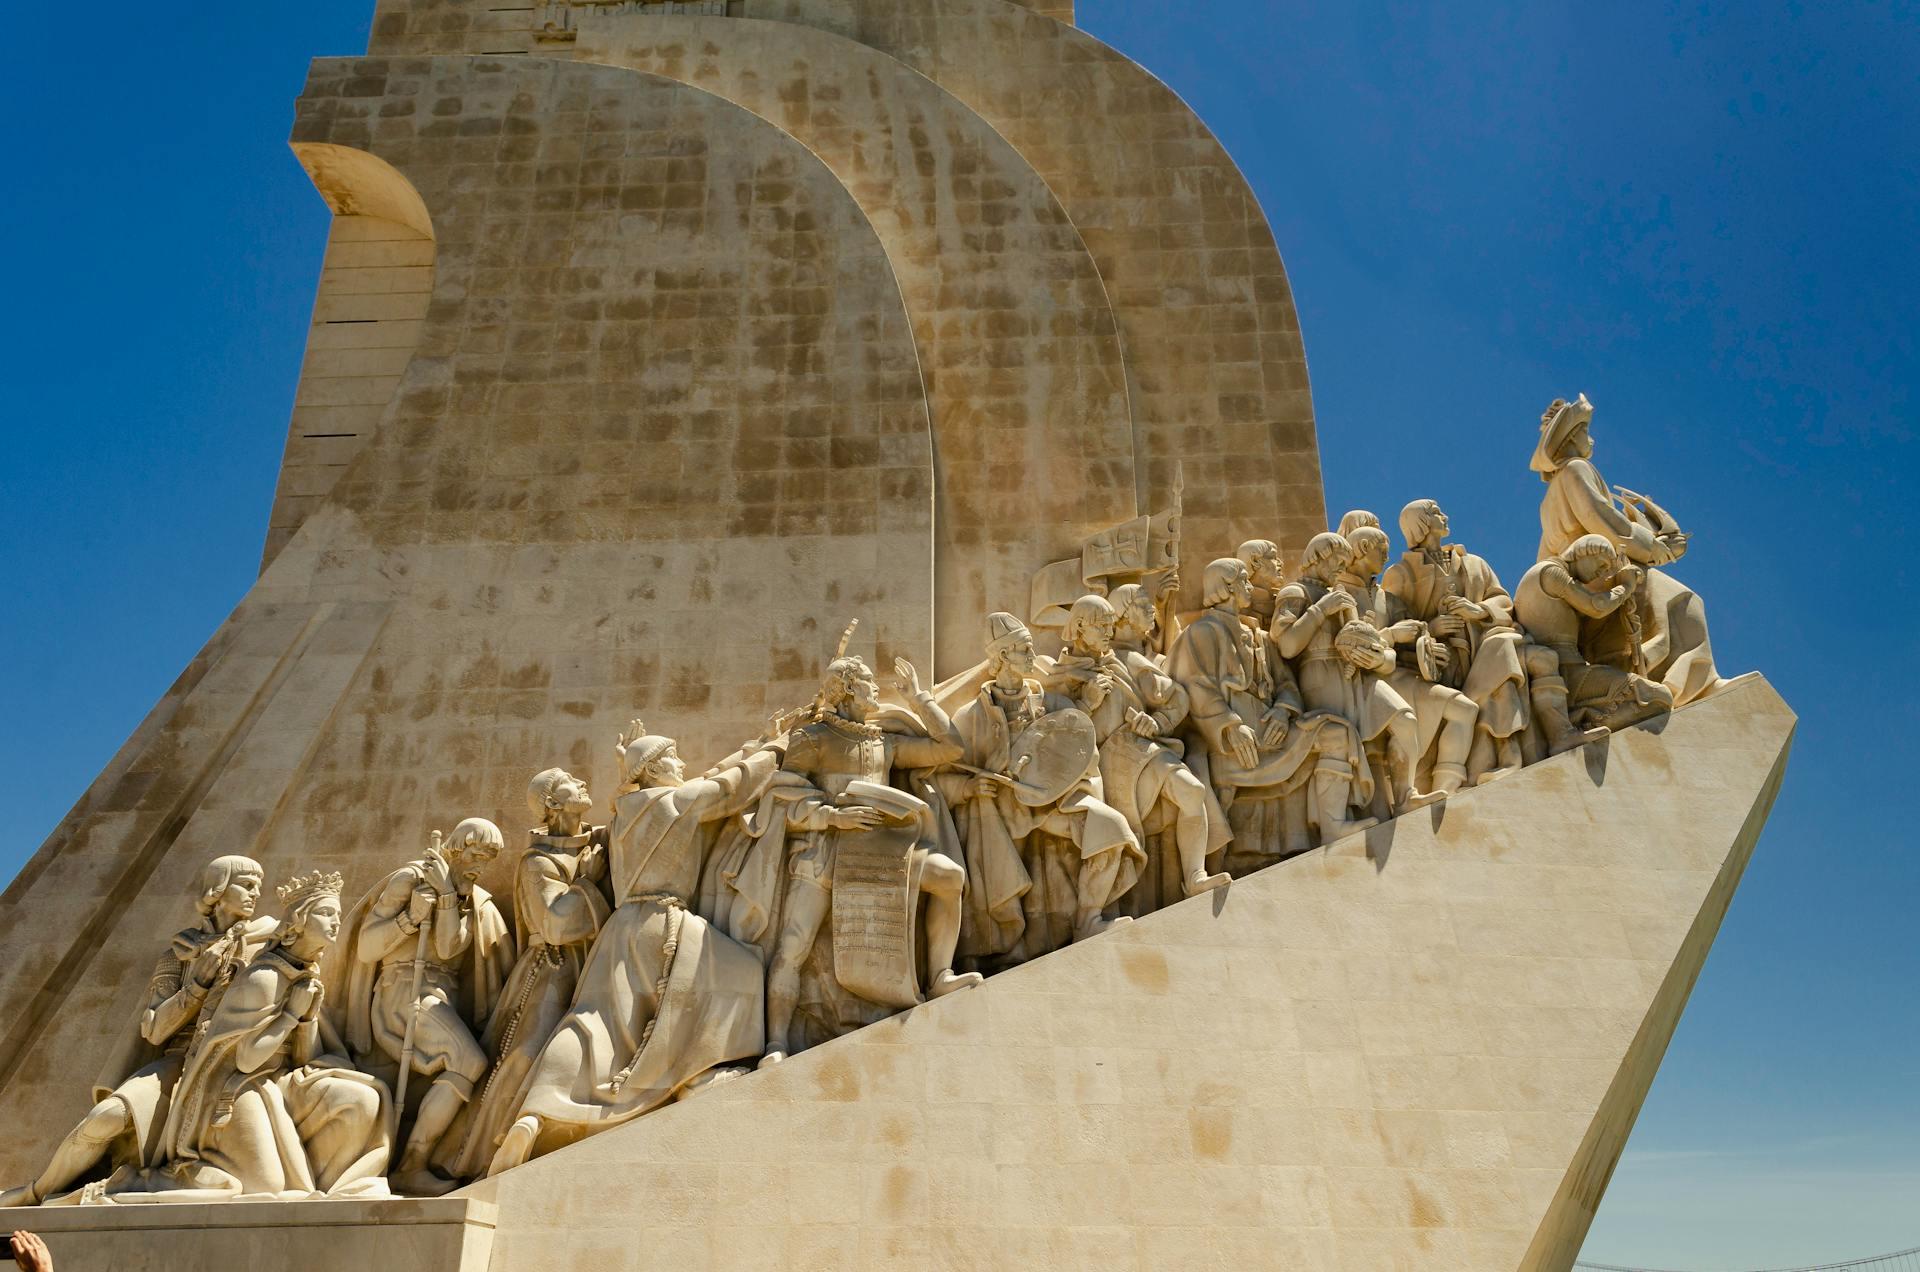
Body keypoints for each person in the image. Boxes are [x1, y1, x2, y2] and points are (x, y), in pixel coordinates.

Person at [487, 723, 783, 1174]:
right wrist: (778, 747)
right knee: (741, 971)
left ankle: (535, 1112)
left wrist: (630, 769)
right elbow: (730, 787)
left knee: (593, 1022)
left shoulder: (624, 813)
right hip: (663, 920)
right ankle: (696, 1076)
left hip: (619, 929)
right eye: (674, 757)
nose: (683, 764)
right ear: (656, 769)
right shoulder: (674, 802)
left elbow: (701, 779)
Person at [0, 857, 277, 1207]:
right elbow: (156, 1030)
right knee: (104, 1118)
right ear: (218, 889)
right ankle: (36, 1192)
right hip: (180, 1060)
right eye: (247, 885)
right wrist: (197, 985)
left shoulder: (265, 944)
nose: (256, 893)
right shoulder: (179, 955)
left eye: (258, 886)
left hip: (228, 1064)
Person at [760, 653, 983, 1062]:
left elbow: (950, 748)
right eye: (867, 681)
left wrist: (919, 698)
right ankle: (775, 1043)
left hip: (877, 851)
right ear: (847, 688)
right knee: (793, 944)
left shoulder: (884, 742)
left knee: (950, 877)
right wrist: (833, 816)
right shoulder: (812, 738)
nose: (876, 688)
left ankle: (940, 976)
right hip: (824, 851)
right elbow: (783, 799)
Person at [142, 871, 391, 1201]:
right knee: (268, 1187)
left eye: (337, 914)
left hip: (278, 1079)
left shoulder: (305, 975)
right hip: (231, 1090)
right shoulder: (264, 978)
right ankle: (147, 1180)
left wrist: (306, 1020)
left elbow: (303, 1058)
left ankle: (332, 1192)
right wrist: (290, 1016)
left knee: (363, 1099)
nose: (336, 922)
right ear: (298, 922)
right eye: (326, 913)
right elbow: (246, 1060)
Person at [434, 771, 611, 1181]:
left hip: (597, 961)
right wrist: (587, 881)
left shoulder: (599, 841)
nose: (583, 782)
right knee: (524, 1056)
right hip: (551, 969)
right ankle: (481, 1156)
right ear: (552, 804)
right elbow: (556, 926)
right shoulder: (538, 861)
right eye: (568, 781)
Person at [939, 613, 1144, 961]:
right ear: (1003, 656)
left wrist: (1086, 707)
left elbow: (1078, 745)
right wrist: (970, 788)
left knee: (1112, 828)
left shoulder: (1049, 702)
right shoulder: (970, 717)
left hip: (1052, 803)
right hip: (1003, 811)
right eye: (1025, 650)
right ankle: (1001, 944)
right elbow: (941, 774)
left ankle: (1088, 920)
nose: (1034, 657)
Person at [334, 819, 514, 1196]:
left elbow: (448, 948)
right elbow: (367, 948)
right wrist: (411, 917)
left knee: (466, 1065)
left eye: (489, 858)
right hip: (404, 991)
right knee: (469, 1061)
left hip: (439, 996)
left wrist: (447, 897)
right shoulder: (410, 879)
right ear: (456, 848)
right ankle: (413, 1164)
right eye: (476, 854)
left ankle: (412, 1161)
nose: (481, 865)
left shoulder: (464, 897)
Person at [1168, 558, 1376, 852]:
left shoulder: (1261, 636)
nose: (1249, 586)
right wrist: (1230, 726)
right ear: (1226, 587)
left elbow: (1286, 684)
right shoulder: (1202, 632)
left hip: (1274, 732)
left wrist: (1283, 710)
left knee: (1338, 734)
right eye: (1243, 580)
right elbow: (1197, 685)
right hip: (1235, 743)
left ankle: (1333, 826)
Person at [1531, 393, 1727, 704]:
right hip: (1602, 571)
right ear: (1570, 437)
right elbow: (1603, 521)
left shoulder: (1548, 498)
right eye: (1585, 431)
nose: (1590, 439)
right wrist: (1657, 549)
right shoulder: (1576, 469)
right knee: (1685, 602)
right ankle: (1695, 687)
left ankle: (1659, 679)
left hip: (1586, 578)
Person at [1045, 595, 1229, 900]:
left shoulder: (1122, 661)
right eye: (1101, 626)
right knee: (1116, 836)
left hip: (1140, 748)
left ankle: (1195, 877)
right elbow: (1054, 739)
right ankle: (1094, 913)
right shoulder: (1058, 677)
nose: (1109, 632)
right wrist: (1086, 704)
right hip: (1101, 766)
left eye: (1110, 624)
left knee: (1192, 791)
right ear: (1078, 627)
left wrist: (1157, 722)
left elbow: (1177, 697)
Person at [1273, 533, 1444, 816]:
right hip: (1320, 676)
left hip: (1355, 676)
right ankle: (1336, 820)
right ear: (1319, 556)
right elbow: (1288, 646)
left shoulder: (1342, 597)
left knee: (1405, 719)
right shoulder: (1295, 593)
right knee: (1343, 738)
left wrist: (1379, 657)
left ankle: (1404, 797)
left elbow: (1365, 641)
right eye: (1338, 561)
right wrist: (1321, 609)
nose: (1343, 568)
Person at [1382, 500, 1533, 780]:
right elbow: (1392, 626)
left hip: (1479, 648)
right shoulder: (1400, 574)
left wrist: (1479, 610)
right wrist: (1431, 629)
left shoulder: (1474, 563)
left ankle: (1509, 757)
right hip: (1439, 664)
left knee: (1501, 652)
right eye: (1436, 513)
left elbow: (1501, 599)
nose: (1445, 516)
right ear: (1421, 523)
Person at [1336, 524, 1481, 795]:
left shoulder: (1390, 600)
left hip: (1400, 676)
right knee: (1403, 720)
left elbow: (1412, 644)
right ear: (1364, 548)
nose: (1386, 557)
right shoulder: (1338, 595)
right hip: (1365, 684)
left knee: (1465, 709)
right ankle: (1406, 795)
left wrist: (1431, 647)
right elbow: (1348, 649)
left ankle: (1445, 793)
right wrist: (1390, 635)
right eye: (1382, 550)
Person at [1513, 535, 1675, 731]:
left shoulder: (1560, 581)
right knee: (1657, 696)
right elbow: (1596, 606)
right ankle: (1584, 724)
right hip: (1566, 674)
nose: (1601, 573)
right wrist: (1626, 586)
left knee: (1654, 700)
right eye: (1602, 564)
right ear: (1585, 551)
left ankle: (1586, 721)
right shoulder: (1551, 572)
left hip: (1571, 671)